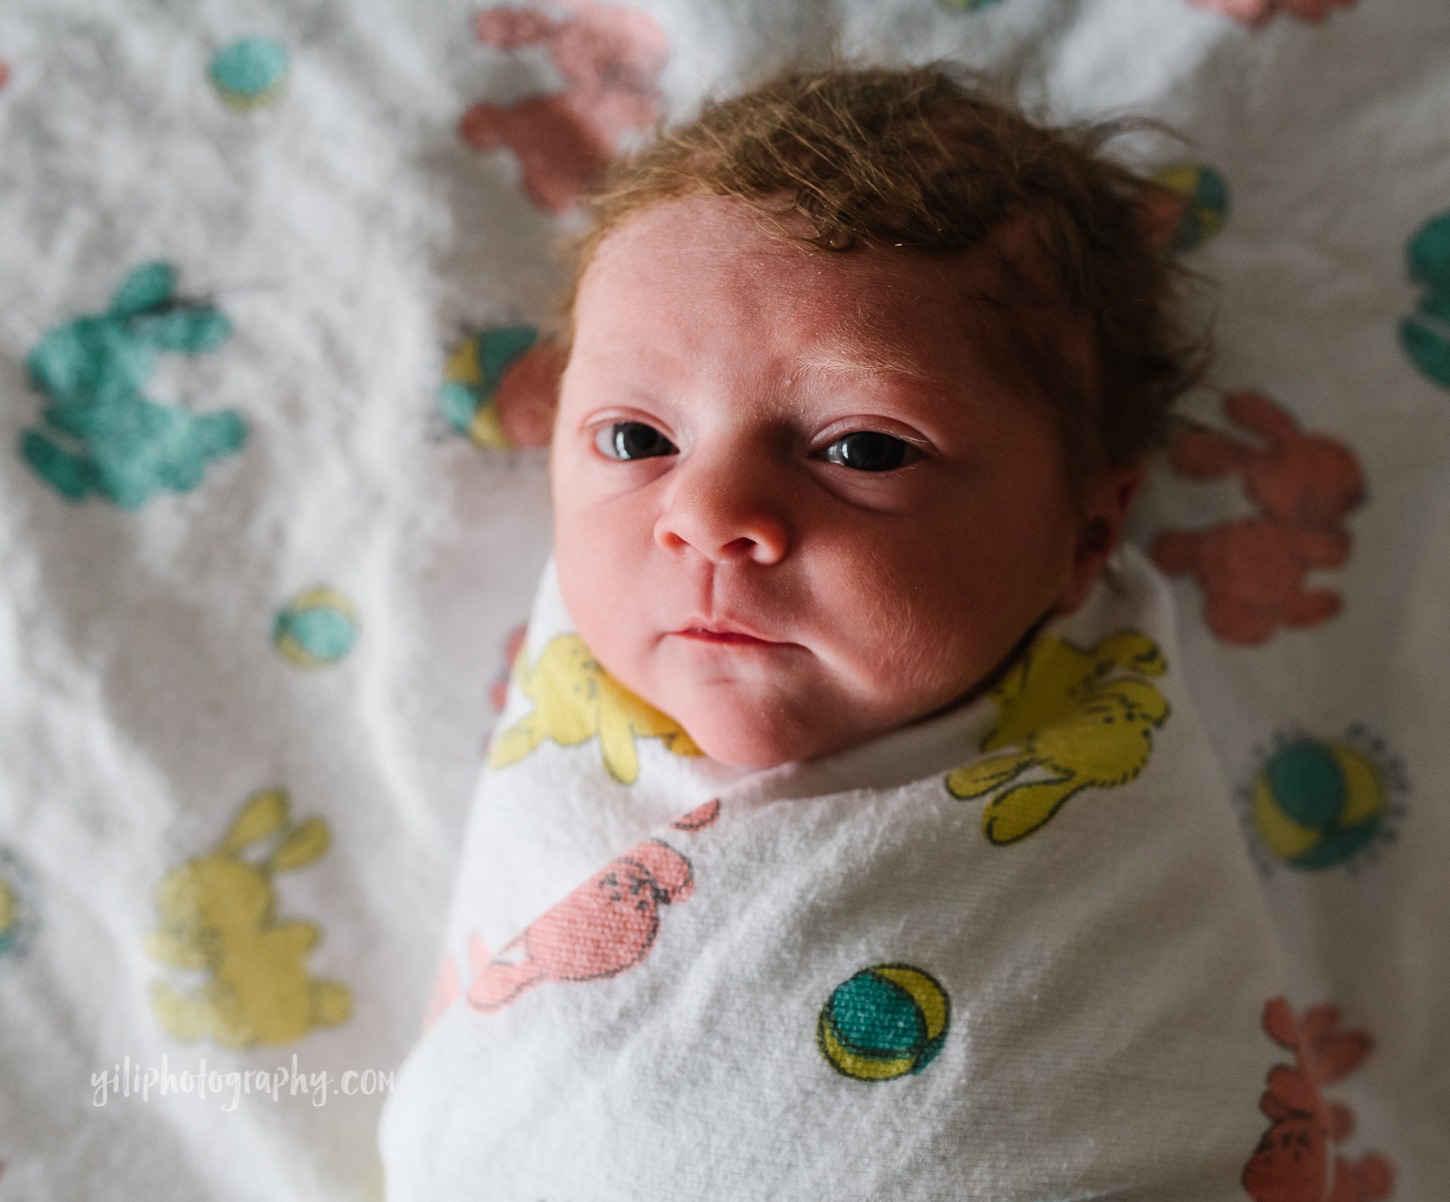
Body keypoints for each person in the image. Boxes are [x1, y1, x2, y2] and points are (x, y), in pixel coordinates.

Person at [382, 65, 1280, 1200]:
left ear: (1087, 535)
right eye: (634, 440)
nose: (704, 517)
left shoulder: (1109, 785)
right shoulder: (583, 659)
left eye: (862, 450)